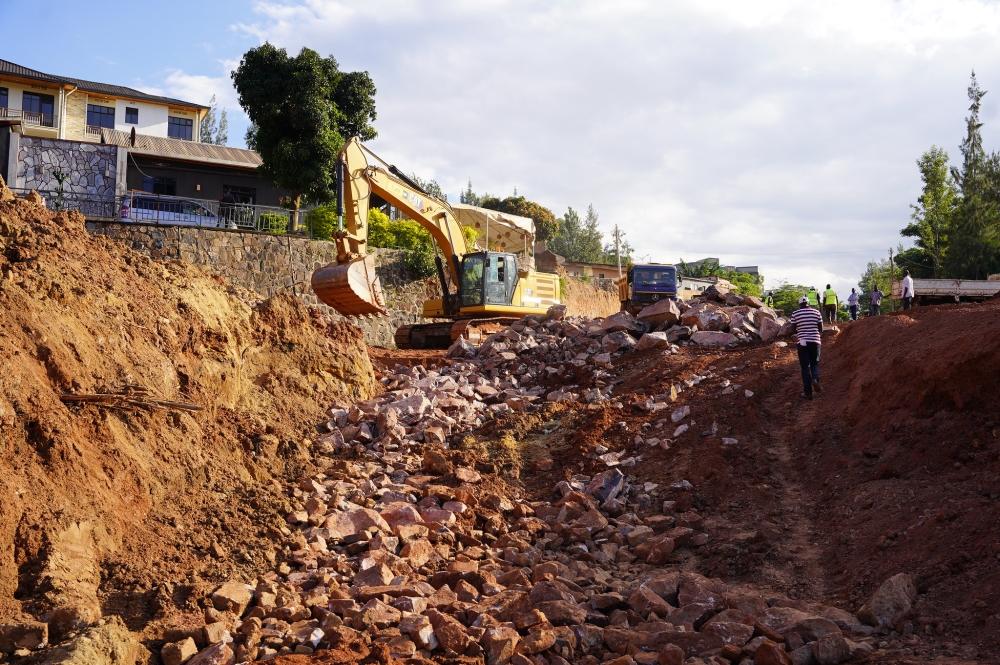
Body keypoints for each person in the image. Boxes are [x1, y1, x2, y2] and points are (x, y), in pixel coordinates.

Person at [790, 296, 823, 399]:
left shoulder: (795, 314)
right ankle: (815, 379)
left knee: (805, 367)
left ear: (800, 304)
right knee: (814, 363)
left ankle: (808, 393)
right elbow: (821, 328)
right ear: (809, 303)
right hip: (815, 341)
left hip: (802, 342)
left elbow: (793, 330)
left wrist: (801, 330)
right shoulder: (816, 312)